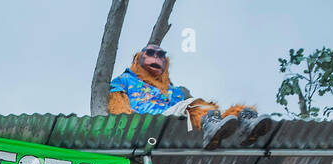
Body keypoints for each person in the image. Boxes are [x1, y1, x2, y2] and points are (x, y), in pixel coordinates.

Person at [107, 45, 273, 149]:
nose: (156, 57)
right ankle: (215, 130)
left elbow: (200, 113)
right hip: (149, 122)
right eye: (150, 53)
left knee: (217, 111)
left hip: (178, 121)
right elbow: (118, 109)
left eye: (161, 55)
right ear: (139, 57)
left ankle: (245, 123)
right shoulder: (125, 80)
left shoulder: (176, 91)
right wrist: (132, 130)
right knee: (194, 104)